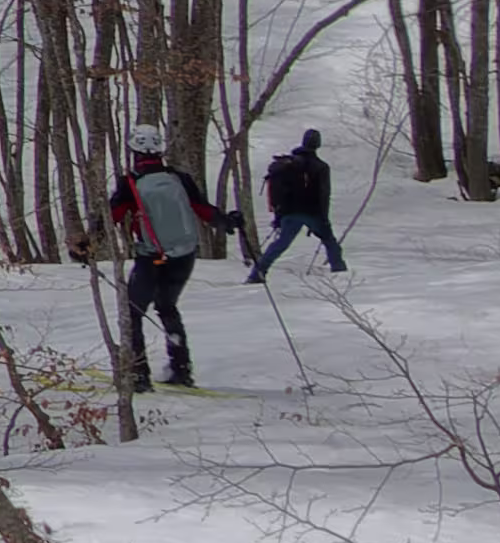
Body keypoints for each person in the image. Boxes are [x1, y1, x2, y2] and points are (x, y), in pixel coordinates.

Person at [103, 135, 233, 393]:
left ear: (134, 152)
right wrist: (226, 222)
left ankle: (139, 376)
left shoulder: (131, 182)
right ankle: (180, 369)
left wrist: (86, 242)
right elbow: (202, 209)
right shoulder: (179, 179)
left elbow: (113, 216)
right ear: (161, 150)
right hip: (184, 255)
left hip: (151, 256)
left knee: (133, 314)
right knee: (167, 307)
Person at [249, 129, 349, 283]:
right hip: (312, 213)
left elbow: (280, 192)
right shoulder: (321, 167)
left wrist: (279, 215)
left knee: (280, 244)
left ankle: (257, 273)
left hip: (289, 212)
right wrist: (324, 218)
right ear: (318, 144)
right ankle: (341, 273)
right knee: (330, 242)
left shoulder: (287, 165)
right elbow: (323, 195)